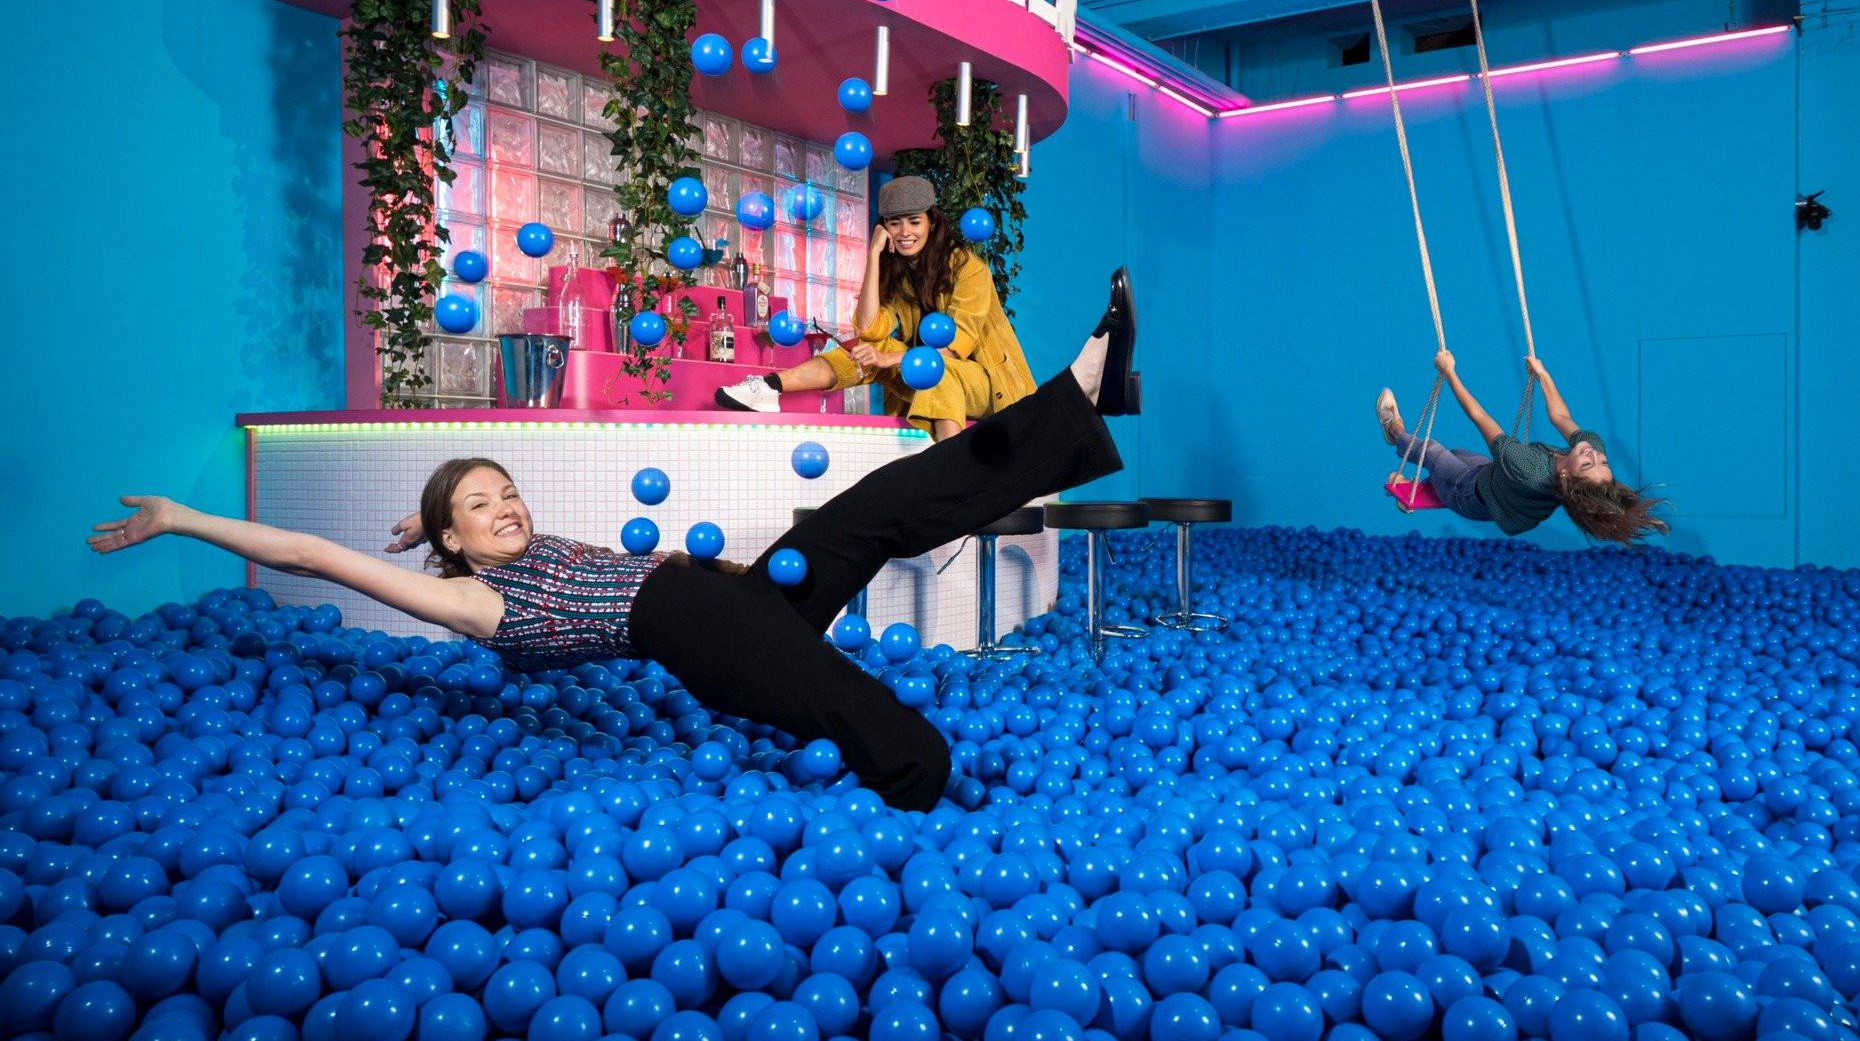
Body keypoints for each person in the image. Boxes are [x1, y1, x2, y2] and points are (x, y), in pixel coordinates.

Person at [89, 271, 1141, 812]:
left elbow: (461, 518)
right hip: (705, 638)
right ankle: (922, 809)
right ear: (458, 544)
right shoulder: (475, 601)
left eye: (508, 494)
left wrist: (430, 514)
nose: (508, 509)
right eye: (484, 507)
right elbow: (314, 556)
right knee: (878, 724)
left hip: (738, 594)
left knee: (878, 502)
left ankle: (1078, 403)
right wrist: (183, 518)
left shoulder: (498, 545)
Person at [714, 176, 1035, 439]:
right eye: (895, 223)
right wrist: (874, 255)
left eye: (914, 222)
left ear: (933, 224)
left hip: (986, 386)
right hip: (924, 375)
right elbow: (868, 329)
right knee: (870, 348)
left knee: (937, 371)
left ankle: (952, 468)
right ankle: (770, 386)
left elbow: (952, 349)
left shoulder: (969, 269)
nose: (905, 232)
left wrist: (887, 359)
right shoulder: (901, 273)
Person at [1377, 351, 1668, 544]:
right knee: (1458, 456)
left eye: (1587, 463)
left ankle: (1395, 431)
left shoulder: (1529, 469)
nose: (1594, 455)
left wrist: (1449, 371)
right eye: (1603, 463)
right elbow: (1561, 417)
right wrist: (1543, 375)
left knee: (1434, 452)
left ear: (1566, 477)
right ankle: (1415, 492)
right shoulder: (1590, 447)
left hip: (1472, 497)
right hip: (1493, 480)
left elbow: (1479, 417)